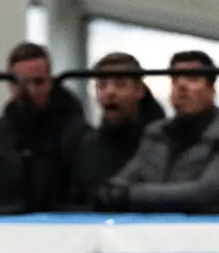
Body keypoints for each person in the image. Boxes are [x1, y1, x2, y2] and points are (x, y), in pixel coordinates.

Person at [94, 50, 219, 213]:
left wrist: (131, 195)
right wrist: (110, 192)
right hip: (148, 230)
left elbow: (207, 193)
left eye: (192, 78)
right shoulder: (156, 132)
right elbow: (123, 180)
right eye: (175, 78)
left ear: (211, 89)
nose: (181, 85)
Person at [0, 42, 88, 212]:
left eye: (38, 82)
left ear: (50, 81)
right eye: (22, 84)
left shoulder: (77, 133)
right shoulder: (0, 133)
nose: (31, 91)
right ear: (11, 85)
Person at [71, 52, 167, 207]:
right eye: (102, 85)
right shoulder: (88, 145)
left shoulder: (163, 141)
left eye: (120, 84)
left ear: (139, 90)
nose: (110, 92)